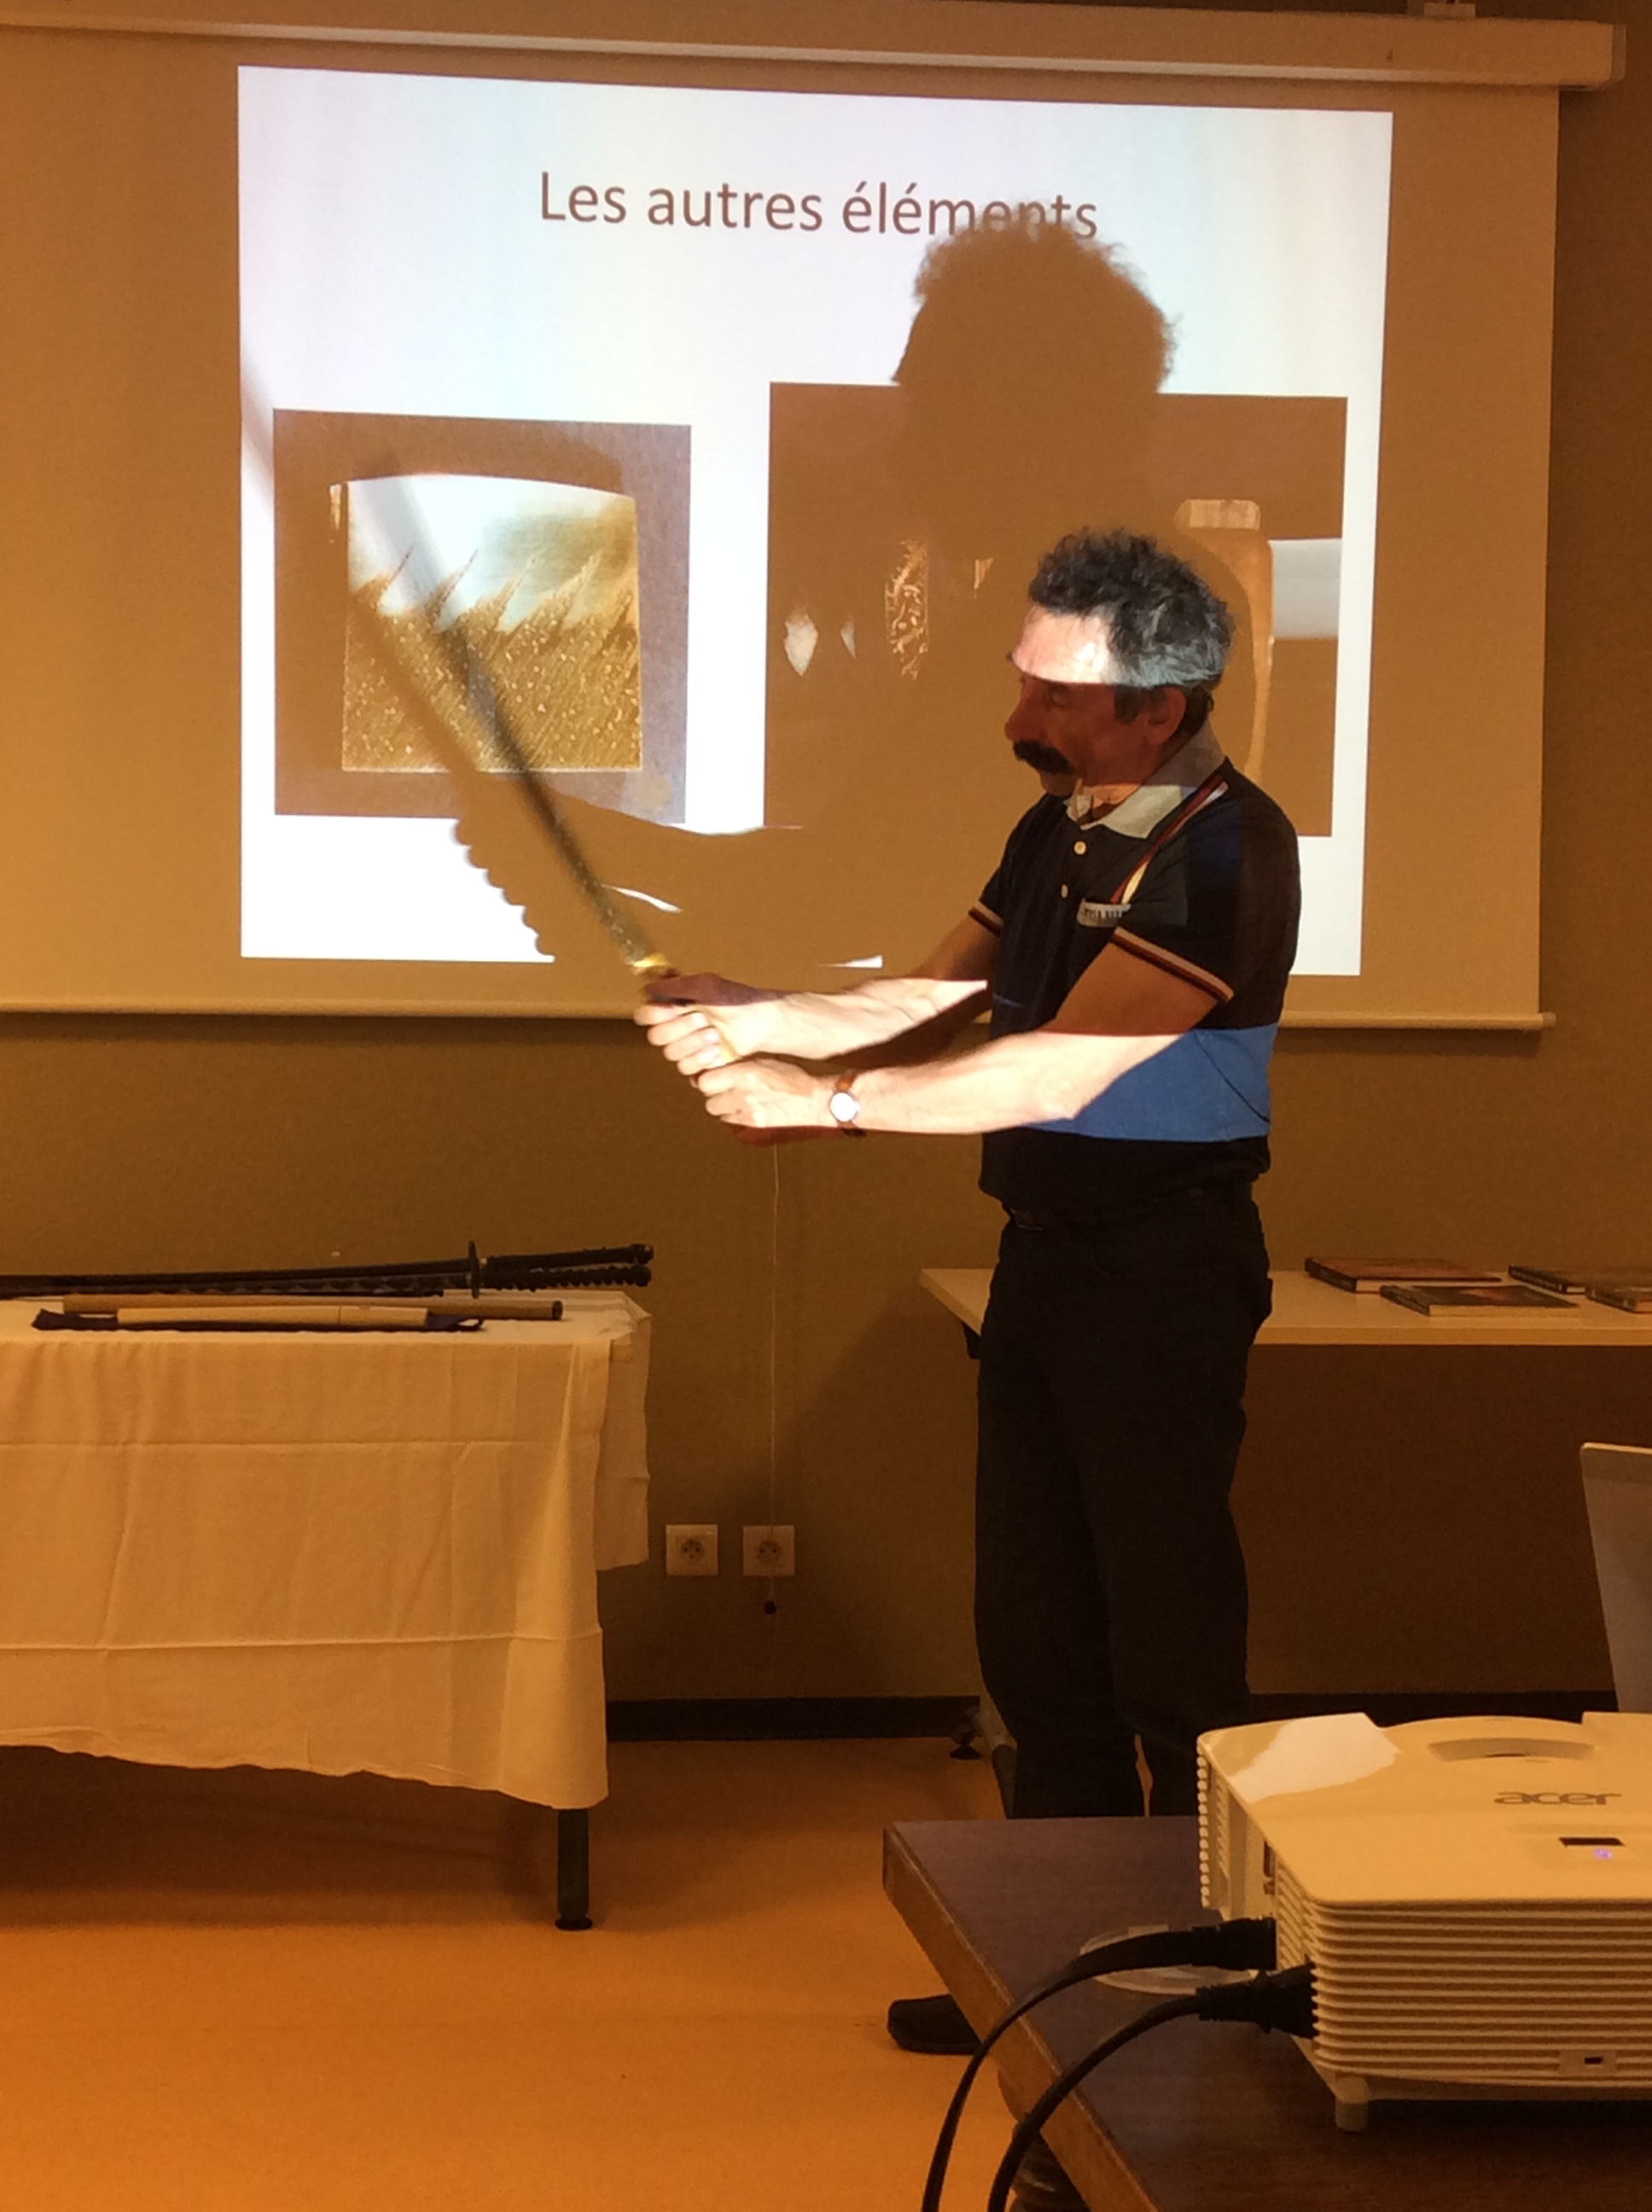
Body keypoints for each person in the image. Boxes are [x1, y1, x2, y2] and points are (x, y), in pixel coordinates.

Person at [635, 527, 1300, 2052]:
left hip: (1164, 1272)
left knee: (1166, 1650)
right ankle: (1050, 1973)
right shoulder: (1062, 823)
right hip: (1048, 1265)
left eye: (1056, 690)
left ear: (1159, 705)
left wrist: (826, 1106)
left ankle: (1208, 1983)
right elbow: (944, 994)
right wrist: (768, 1013)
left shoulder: (1224, 847)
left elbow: (1056, 1070)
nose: (1020, 711)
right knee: (1036, 1641)